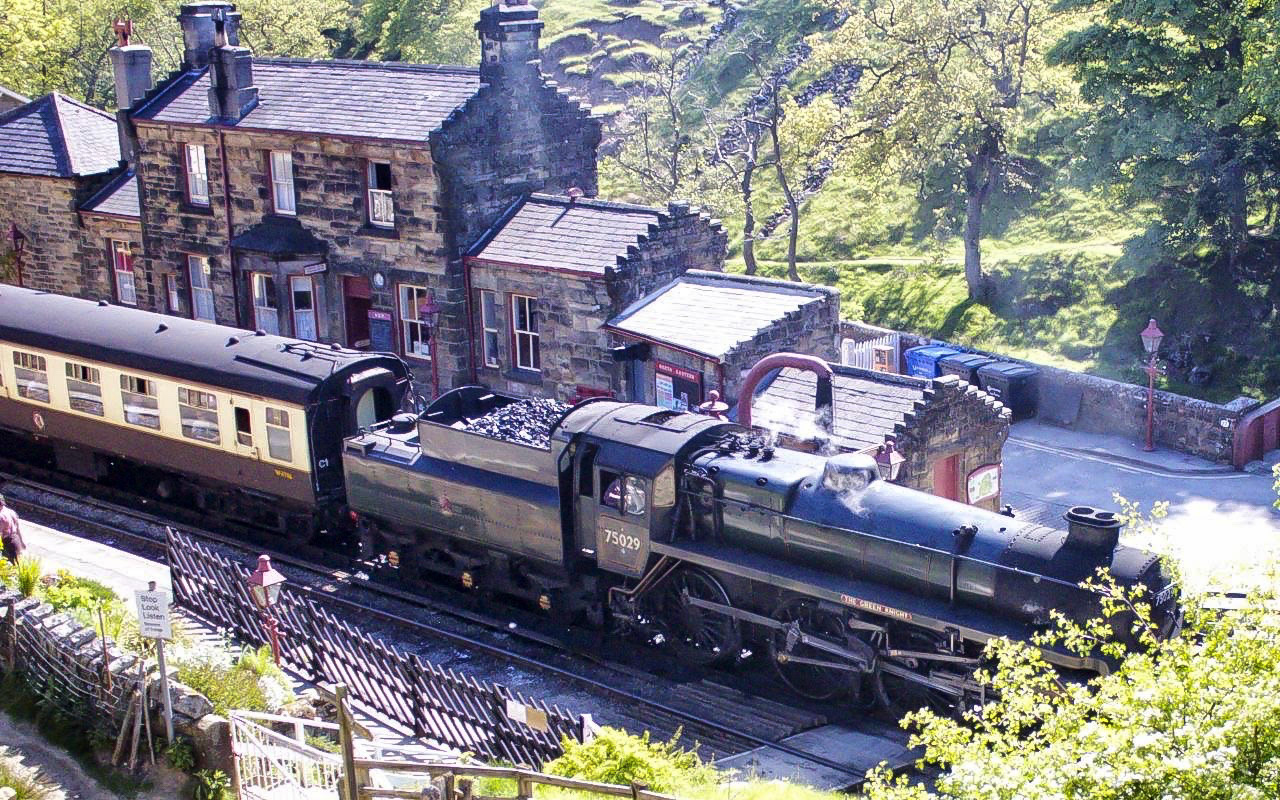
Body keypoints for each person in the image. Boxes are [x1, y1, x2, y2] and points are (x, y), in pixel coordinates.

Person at [0, 494, 25, 563]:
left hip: (7, 542)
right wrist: (22, 542)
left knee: (14, 564)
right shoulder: (11, 511)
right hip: (15, 540)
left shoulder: (1, 516)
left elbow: (0, 534)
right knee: (18, 562)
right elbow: (18, 528)